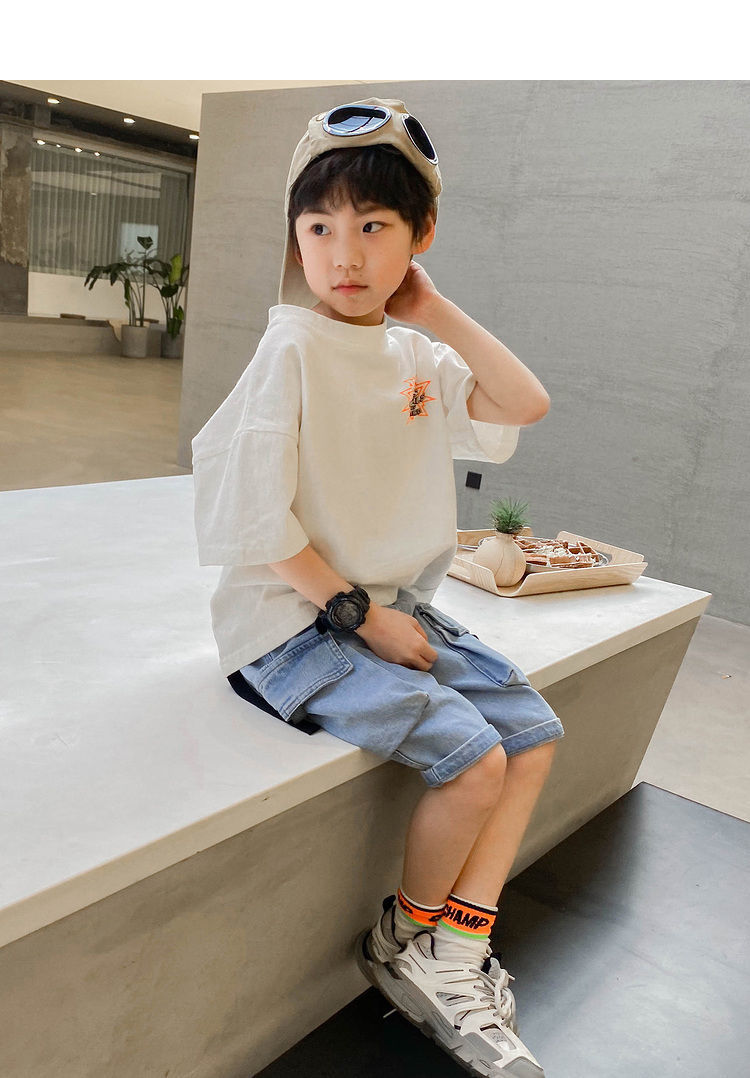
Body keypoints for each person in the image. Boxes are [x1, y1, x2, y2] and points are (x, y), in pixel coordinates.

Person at [191, 98, 564, 1078]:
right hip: (293, 625)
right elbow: (253, 515)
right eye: (318, 227)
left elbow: (524, 402)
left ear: (420, 235)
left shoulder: (414, 352)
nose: (344, 255)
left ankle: (456, 946)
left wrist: (430, 310)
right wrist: (361, 617)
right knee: (475, 758)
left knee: (532, 735)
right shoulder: (290, 347)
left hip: (386, 609)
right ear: (295, 237)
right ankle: (408, 941)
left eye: (374, 226)